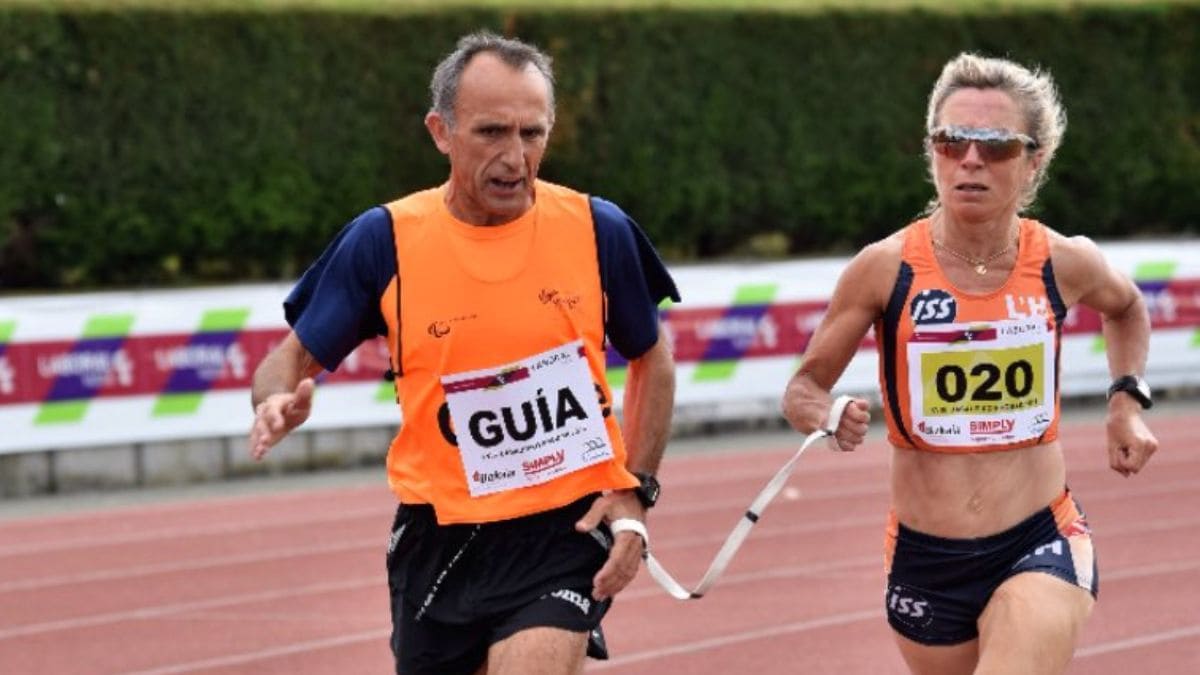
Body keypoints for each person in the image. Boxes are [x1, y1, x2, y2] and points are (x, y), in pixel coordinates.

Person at [247, 31, 678, 675]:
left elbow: (653, 359)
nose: (515, 156)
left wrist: (635, 493)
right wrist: (275, 402)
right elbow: (288, 361)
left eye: (533, 134)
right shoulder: (385, 240)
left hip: (561, 530)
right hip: (438, 538)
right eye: (492, 133)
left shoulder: (597, 229)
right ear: (441, 132)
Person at [781, 52, 1158, 675]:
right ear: (932, 152)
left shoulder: (1064, 261)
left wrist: (1126, 403)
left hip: (1041, 536)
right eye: (952, 141)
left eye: (997, 146)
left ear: (1034, 160)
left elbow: (1127, 307)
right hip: (926, 558)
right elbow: (803, 386)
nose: (971, 160)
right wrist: (826, 414)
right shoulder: (883, 268)